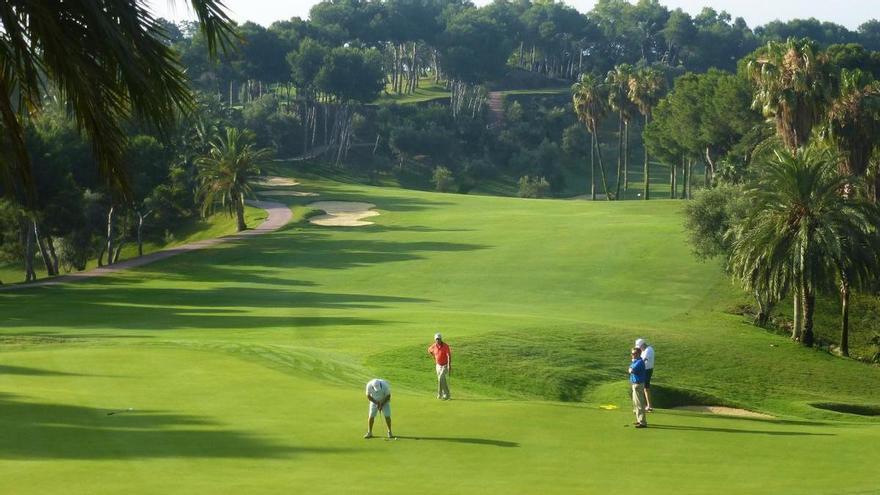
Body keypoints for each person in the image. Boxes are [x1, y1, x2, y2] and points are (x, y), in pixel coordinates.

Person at [427, 333, 452, 400]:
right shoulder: (434, 346)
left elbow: (449, 356)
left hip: (445, 365)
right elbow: (429, 350)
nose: (438, 340)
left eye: (439, 339)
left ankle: (443, 394)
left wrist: (449, 365)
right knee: (441, 380)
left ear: (441, 339)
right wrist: (433, 356)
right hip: (438, 365)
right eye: (436, 339)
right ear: (435, 340)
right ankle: (444, 395)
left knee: (441, 378)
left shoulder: (446, 346)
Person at [628, 347, 648, 428]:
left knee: (639, 404)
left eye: (634, 353)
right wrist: (630, 369)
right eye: (632, 353)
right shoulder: (635, 361)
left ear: (639, 354)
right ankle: (638, 420)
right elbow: (630, 369)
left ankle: (642, 422)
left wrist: (630, 369)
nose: (632, 355)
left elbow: (631, 370)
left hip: (638, 385)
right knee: (635, 404)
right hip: (635, 384)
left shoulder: (639, 362)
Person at [635, 338, 655, 411]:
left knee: (644, 387)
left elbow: (643, 361)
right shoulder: (644, 350)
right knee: (645, 388)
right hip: (645, 370)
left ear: (643, 345)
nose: (639, 348)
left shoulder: (648, 350)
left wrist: (635, 365)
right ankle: (648, 406)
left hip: (647, 370)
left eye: (639, 346)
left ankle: (646, 406)